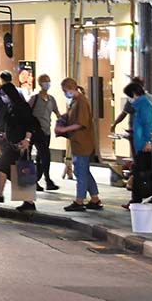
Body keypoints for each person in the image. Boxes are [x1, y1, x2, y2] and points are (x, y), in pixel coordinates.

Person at [0, 71, 43, 211]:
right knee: (12, 169)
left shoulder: (21, 107)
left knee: (14, 169)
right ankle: (24, 201)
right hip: (13, 143)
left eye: (4, 95)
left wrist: (27, 139)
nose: (3, 98)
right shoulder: (12, 106)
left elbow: (30, 124)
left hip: (20, 144)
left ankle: (23, 200)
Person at [56, 77, 104, 211]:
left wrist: (64, 129)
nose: (65, 93)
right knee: (84, 171)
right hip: (78, 142)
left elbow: (81, 123)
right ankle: (95, 198)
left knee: (80, 172)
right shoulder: (76, 101)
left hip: (83, 142)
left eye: (65, 91)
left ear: (71, 88)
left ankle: (79, 200)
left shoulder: (81, 102)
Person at [124, 81, 152, 206]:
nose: (129, 99)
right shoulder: (142, 105)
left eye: (129, 96)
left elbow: (148, 125)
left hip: (145, 145)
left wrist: (148, 141)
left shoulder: (144, 105)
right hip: (143, 144)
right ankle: (139, 200)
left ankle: (140, 200)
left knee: (142, 173)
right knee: (141, 173)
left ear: (134, 94)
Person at [29, 74, 61, 191]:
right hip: (35, 131)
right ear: (39, 83)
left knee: (41, 157)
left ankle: (40, 180)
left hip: (46, 131)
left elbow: (57, 112)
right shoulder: (34, 99)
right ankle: (44, 180)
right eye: (44, 81)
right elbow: (27, 113)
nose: (47, 83)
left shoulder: (51, 99)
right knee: (45, 156)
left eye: (48, 81)